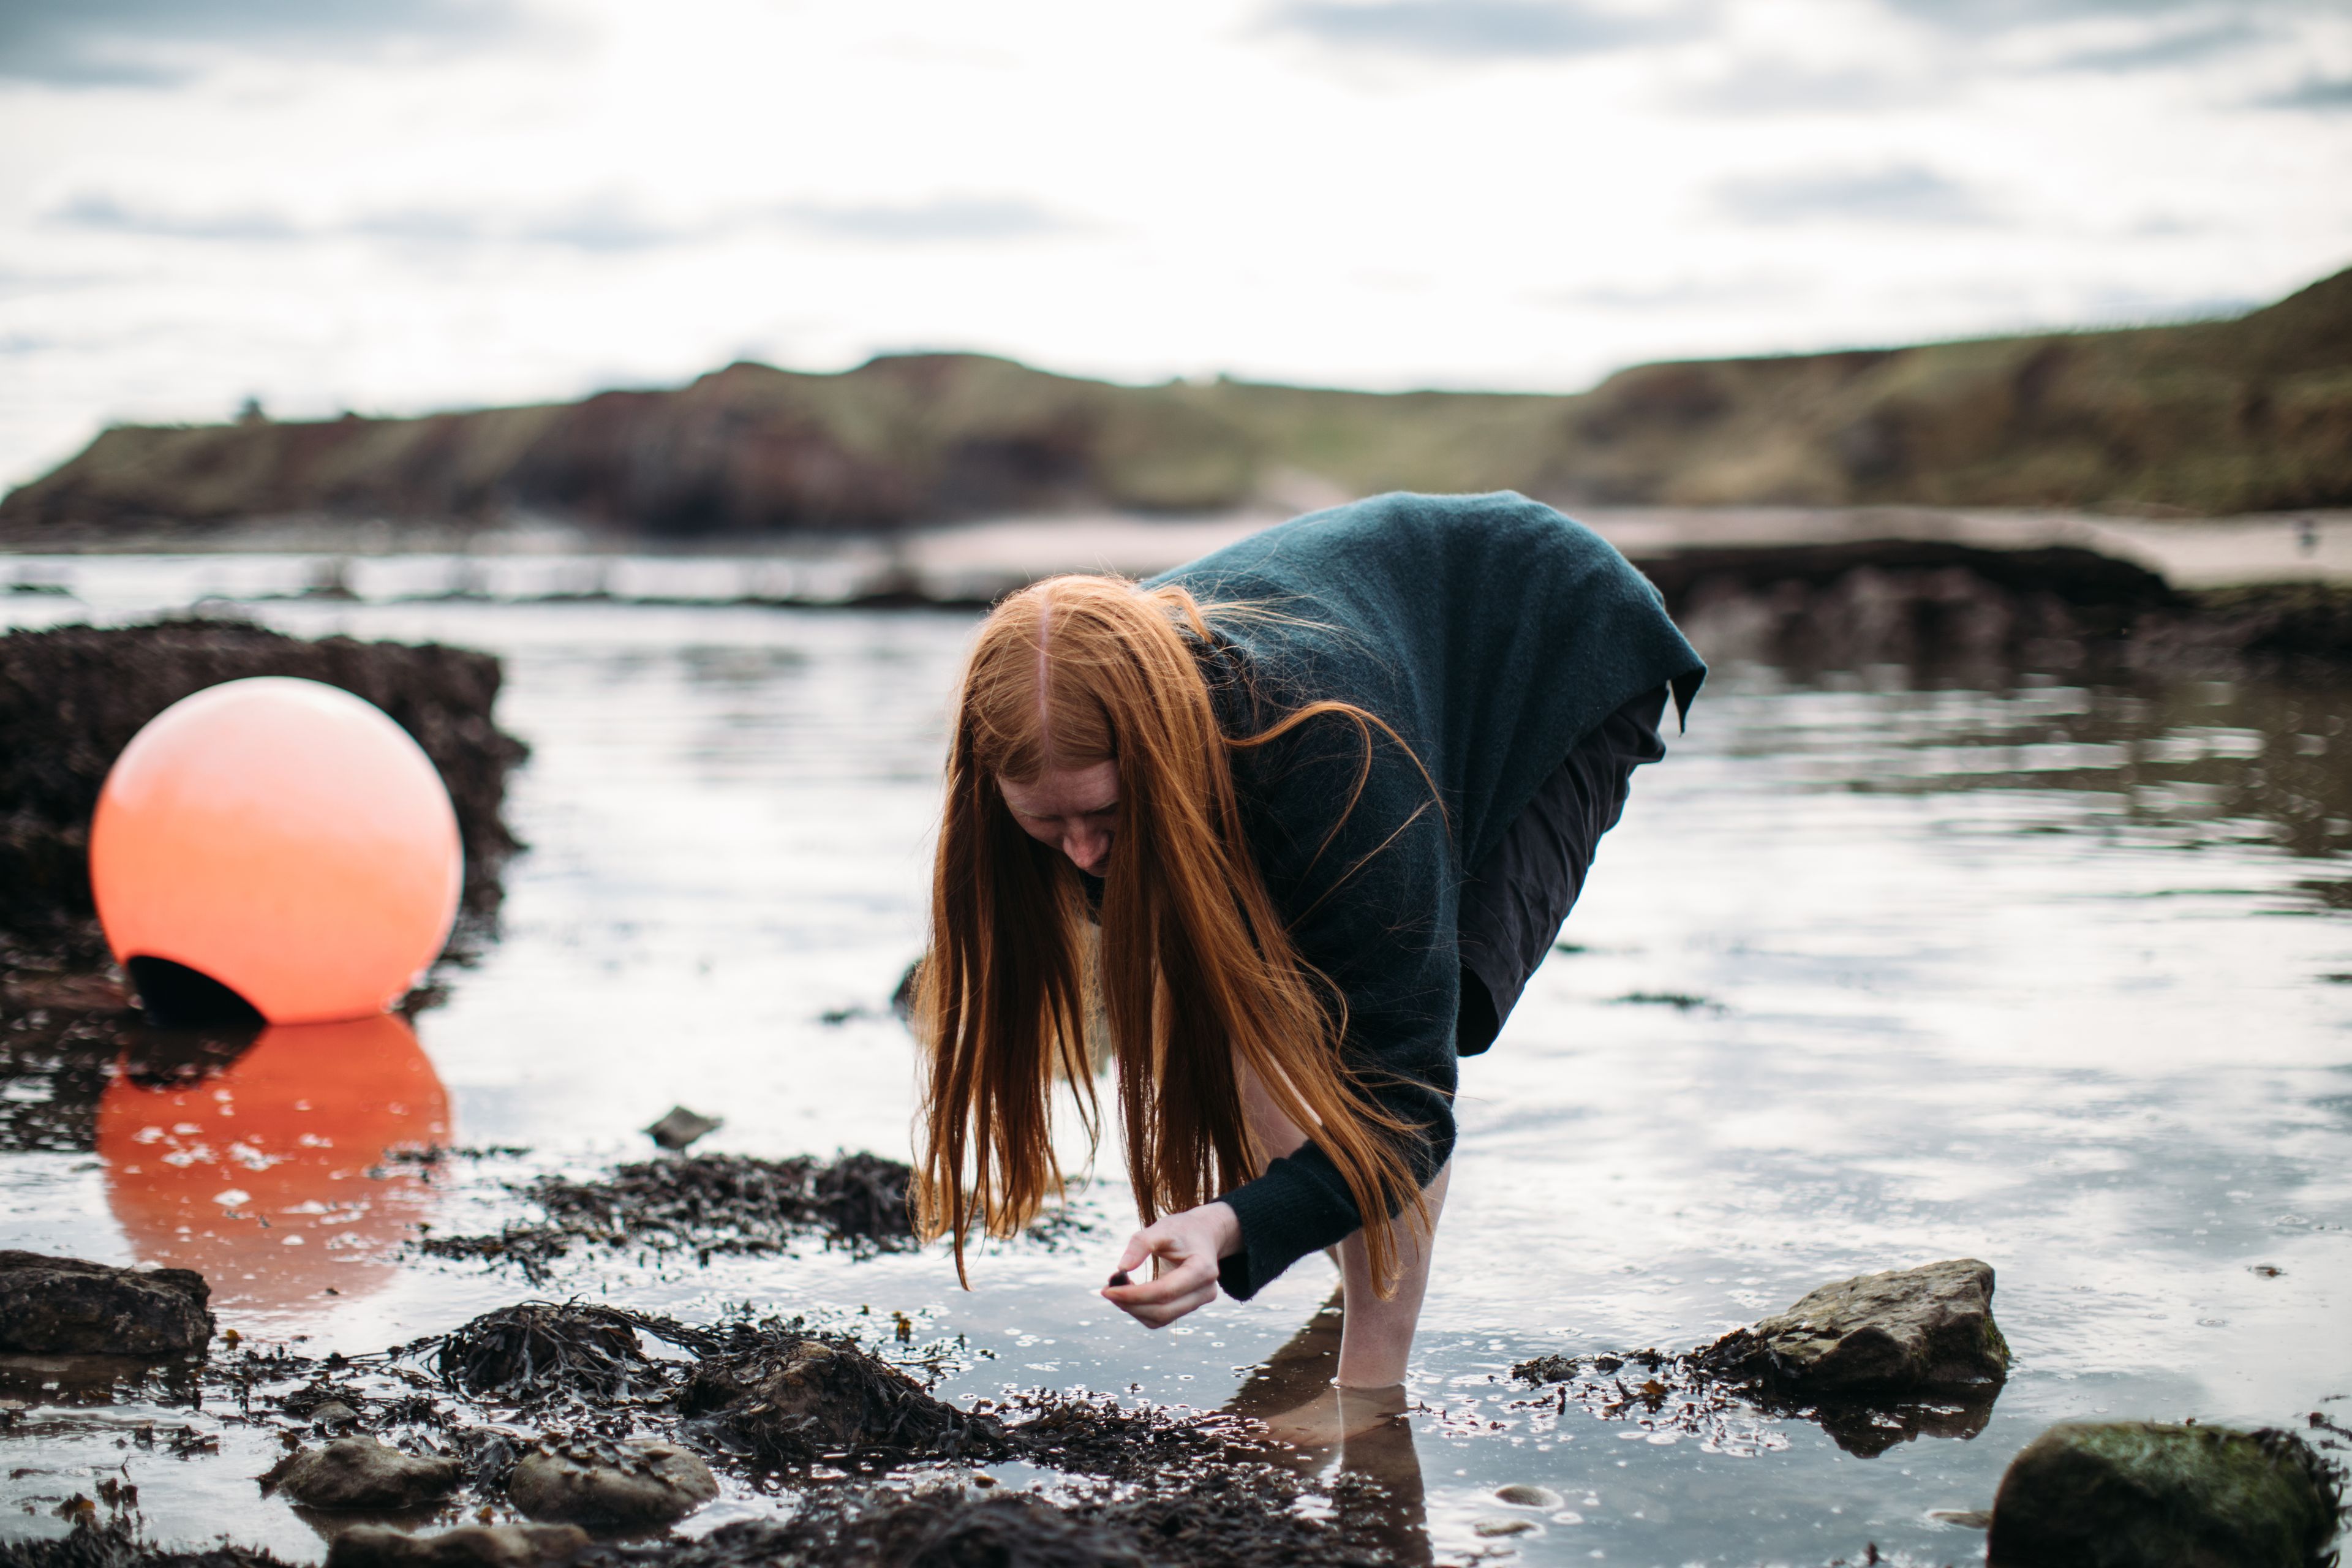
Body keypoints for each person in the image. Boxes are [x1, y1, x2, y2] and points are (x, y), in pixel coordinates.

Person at [913, 491, 1705, 1393]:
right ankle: (1356, 1281)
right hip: (1370, 650)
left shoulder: (1335, 754)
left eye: (1106, 814)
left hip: (1552, 636)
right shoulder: (1045, 740)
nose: (1086, 854)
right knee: (1254, 1023)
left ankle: (1372, 1397)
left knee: (1409, 1030)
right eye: (1046, 824)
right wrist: (1262, 1208)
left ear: (1158, 757)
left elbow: (1403, 1102)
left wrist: (1233, 1225)